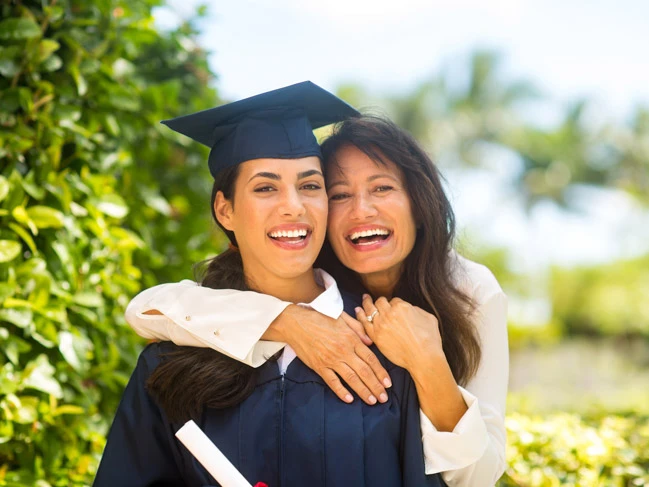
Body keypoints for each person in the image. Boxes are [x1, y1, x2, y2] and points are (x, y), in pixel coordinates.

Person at [94, 82, 443, 487]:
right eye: (265, 187)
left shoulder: (386, 350)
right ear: (226, 210)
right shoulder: (171, 364)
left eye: (311, 185)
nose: (294, 205)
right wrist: (286, 321)